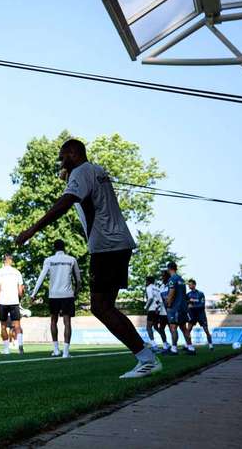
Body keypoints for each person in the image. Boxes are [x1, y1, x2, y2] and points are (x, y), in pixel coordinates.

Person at [15, 139, 161, 379]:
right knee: (105, 306)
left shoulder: (81, 171)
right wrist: (69, 176)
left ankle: (146, 358)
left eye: (63, 157)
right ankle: (146, 356)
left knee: (100, 307)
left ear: (73, 153)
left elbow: (64, 203)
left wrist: (32, 230)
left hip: (107, 247)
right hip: (118, 243)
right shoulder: (96, 170)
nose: (62, 163)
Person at [31, 239, 81, 358]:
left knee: (53, 321)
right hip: (67, 295)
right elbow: (78, 280)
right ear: (64, 247)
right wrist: (76, 292)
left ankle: (56, 350)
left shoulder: (49, 260)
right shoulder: (71, 260)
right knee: (67, 322)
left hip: (53, 295)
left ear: (54, 248)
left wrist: (33, 294)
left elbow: (41, 277)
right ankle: (66, 352)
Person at [0, 254, 25, 355]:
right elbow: (20, 290)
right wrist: (19, 299)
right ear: (11, 261)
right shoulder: (17, 272)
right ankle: (20, 346)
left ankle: (6, 349)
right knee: (17, 326)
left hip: (2, 302)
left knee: (3, 326)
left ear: (3, 261)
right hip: (14, 302)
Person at [162, 262, 195, 355]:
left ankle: (174, 349)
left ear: (169, 269)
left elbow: (171, 293)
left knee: (173, 327)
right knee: (184, 328)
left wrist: (168, 304)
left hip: (175, 308)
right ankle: (191, 348)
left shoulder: (172, 279)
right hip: (183, 308)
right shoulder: (181, 279)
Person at [186, 279, 213, 350]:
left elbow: (202, 305)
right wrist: (188, 303)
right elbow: (186, 304)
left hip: (201, 315)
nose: (189, 286)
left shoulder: (200, 294)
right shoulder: (188, 294)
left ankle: (210, 345)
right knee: (188, 330)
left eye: (190, 284)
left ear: (194, 285)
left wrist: (192, 306)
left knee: (206, 330)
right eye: (188, 284)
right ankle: (188, 345)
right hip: (192, 315)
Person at [144, 275, 169, 352]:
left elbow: (150, 298)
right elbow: (161, 301)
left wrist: (146, 307)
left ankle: (154, 345)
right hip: (157, 310)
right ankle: (166, 343)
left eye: (146, 281)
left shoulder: (149, 287)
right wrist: (158, 308)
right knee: (156, 327)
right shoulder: (158, 288)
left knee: (148, 327)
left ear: (148, 281)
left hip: (151, 310)